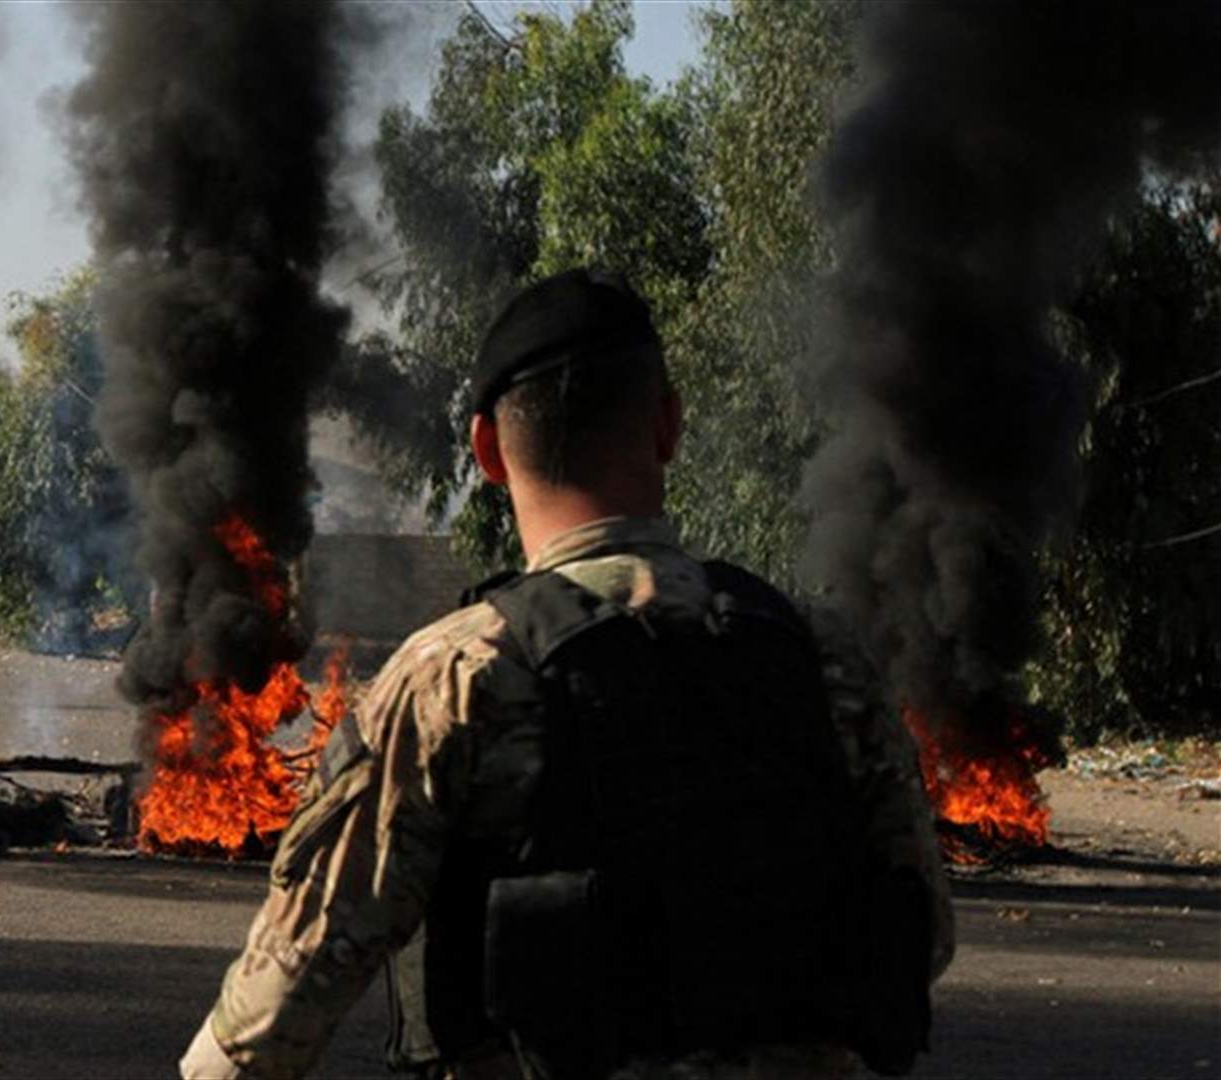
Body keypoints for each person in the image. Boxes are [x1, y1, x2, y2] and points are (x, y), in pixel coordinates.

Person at [179, 270, 953, 1080]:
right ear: (668, 425)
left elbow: (282, 1000)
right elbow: (921, 932)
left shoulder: (456, 674)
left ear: (485, 451)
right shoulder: (818, 653)